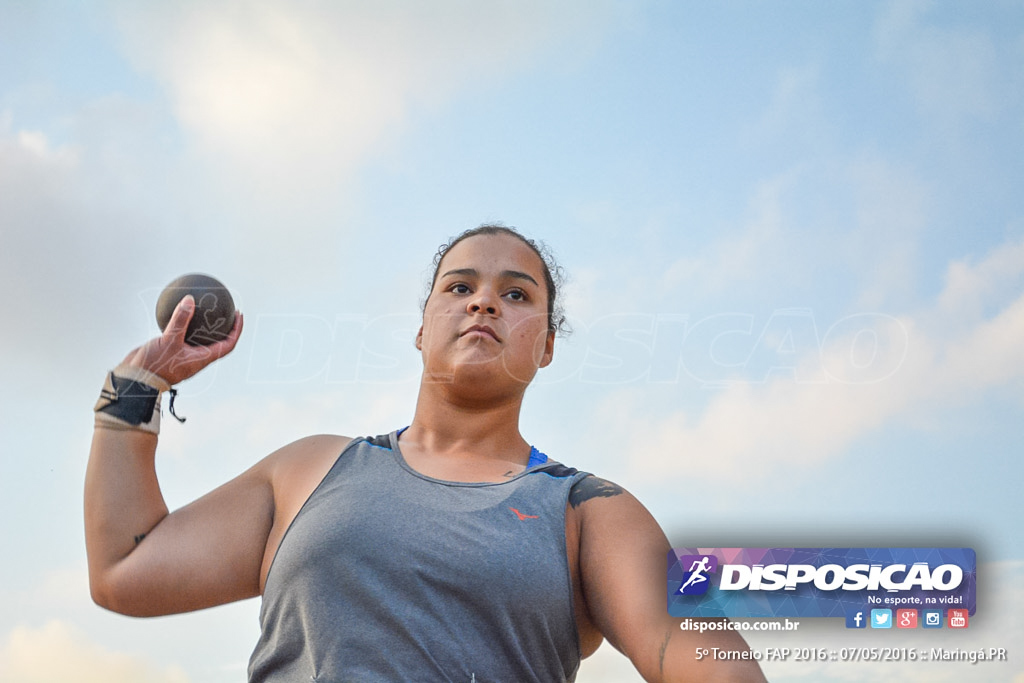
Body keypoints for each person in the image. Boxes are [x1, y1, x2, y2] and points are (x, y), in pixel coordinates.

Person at [85, 225, 766, 682]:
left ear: (548, 346)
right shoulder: (309, 469)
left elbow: (707, 661)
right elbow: (126, 568)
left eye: (517, 294)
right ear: (422, 327)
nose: (485, 305)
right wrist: (134, 393)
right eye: (460, 287)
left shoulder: (587, 510)